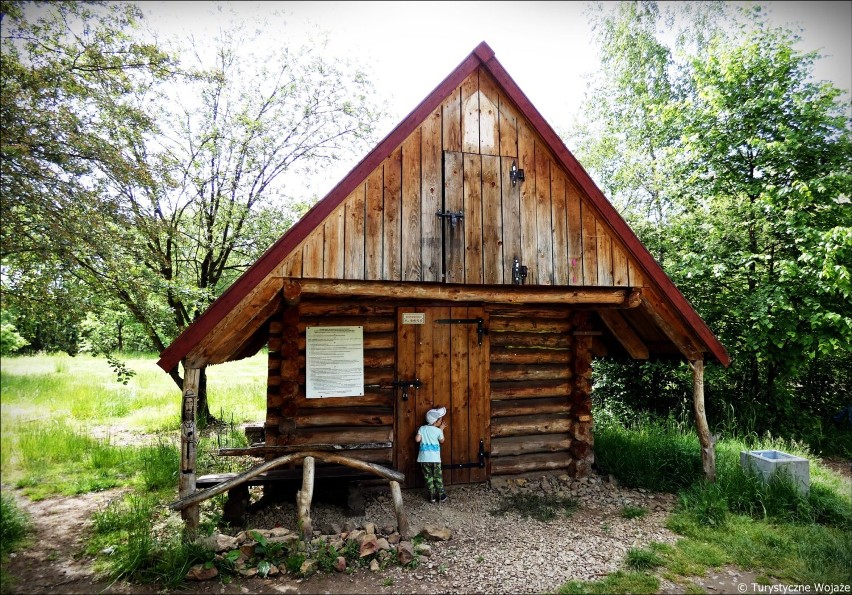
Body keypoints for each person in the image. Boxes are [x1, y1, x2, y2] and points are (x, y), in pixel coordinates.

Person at [416, 407, 448, 503]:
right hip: (435, 459)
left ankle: (432, 496)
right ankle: (441, 495)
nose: (441, 422)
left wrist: (419, 433)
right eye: (440, 420)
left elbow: (417, 440)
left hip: (424, 459)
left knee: (428, 477)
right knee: (437, 476)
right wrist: (441, 429)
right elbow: (442, 441)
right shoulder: (438, 430)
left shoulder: (422, 428)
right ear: (436, 422)